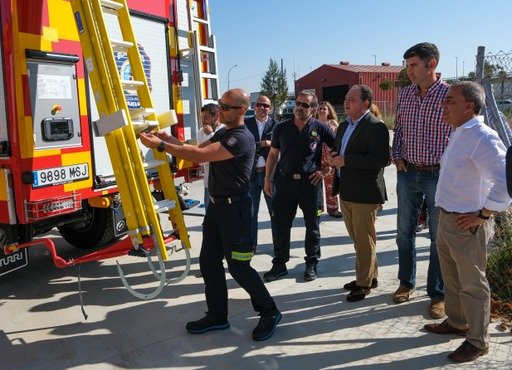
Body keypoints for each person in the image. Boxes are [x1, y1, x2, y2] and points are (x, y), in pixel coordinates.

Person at [139, 88, 281, 341]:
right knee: (208, 263)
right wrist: (169, 139)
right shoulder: (224, 132)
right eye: (219, 105)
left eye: (225, 107)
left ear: (240, 110)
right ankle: (217, 316)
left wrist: (161, 145)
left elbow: (201, 155)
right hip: (216, 208)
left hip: (235, 210)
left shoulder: (241, 138)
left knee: (238, 266)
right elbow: (194, 148)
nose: (219, 110)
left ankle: (269, 311)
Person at [424, 81, 510, 363]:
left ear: (468, 106)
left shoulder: (483, 137)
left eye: (450, 100)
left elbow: (504, 183)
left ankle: (477, 340)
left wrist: (483, 215)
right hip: (448, 218)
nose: (443, 104)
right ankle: (458, 322)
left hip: (468, 224)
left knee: (473, 284)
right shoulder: (460, 133)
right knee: (451, 277)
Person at [392, 42, 451, 319]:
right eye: (407, 67)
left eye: (413, 65)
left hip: (439, 175)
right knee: (404, 231)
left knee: (438, 237)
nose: (409, 72)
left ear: (432, 64)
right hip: (408, 173)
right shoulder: (404, 95)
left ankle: (437, 294)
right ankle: (406, 282)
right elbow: (399, 130)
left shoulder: (451, 95)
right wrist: (398, 155)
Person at [263, 90, 335, 282]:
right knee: (280, 225)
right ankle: (279, 264)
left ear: (312, 108)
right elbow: (272, 154)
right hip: (284, 183)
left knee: (312, 226)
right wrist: (267, 179)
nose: (299, 108)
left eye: (305, 105)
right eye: (298, 103)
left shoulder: (320, 128)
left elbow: (338, 149)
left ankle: (311, 263)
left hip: (309, 184)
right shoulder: (281, 128)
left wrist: (325, 170)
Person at [329, 85, 390, 302]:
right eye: (346, 98)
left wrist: (346, 161)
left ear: (365, 103)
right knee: (359, 240)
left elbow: (382, 159)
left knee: (364, 240)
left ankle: (363, 284)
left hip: (365, 192)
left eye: (352, 99)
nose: (346, 102)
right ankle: (369, 276)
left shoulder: (375, 127)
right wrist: (334, 158)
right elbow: (341, 152)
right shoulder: (344, 126)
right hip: (346, 189)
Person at [245, 95, 277, 253]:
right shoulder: (245, 124)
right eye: (259, 105)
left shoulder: (277, 126)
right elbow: (244, 145)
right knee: (251, 214)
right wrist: (263, 144)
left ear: (270, 108)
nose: (262, 108)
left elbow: (280, 148)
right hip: (251, 175)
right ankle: (252, 245)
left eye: (265, 105)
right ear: (254, 106)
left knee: (275, 213)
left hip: (269, 176)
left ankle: (279, 245)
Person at [316, 101, 342, 218]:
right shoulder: (313, 123)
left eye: (324, 109)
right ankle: (318, 210)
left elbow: (338, 142)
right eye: (320, 108)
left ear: (328, 111)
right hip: (315, 160)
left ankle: (333, 209)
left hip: (330, 160)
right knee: (316, 187)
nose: (321, 110)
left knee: (330, 186)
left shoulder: (333, 123)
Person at [197, 103, 224, 209]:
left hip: (223, 183)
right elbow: (200, 158)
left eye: (205, 117)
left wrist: (211, 135)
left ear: (216, 116)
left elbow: (221, 154)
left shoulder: (225, 130)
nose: (203, 121)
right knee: (209, 214)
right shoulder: (201, 132)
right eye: (202, 118)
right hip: (209, 183)